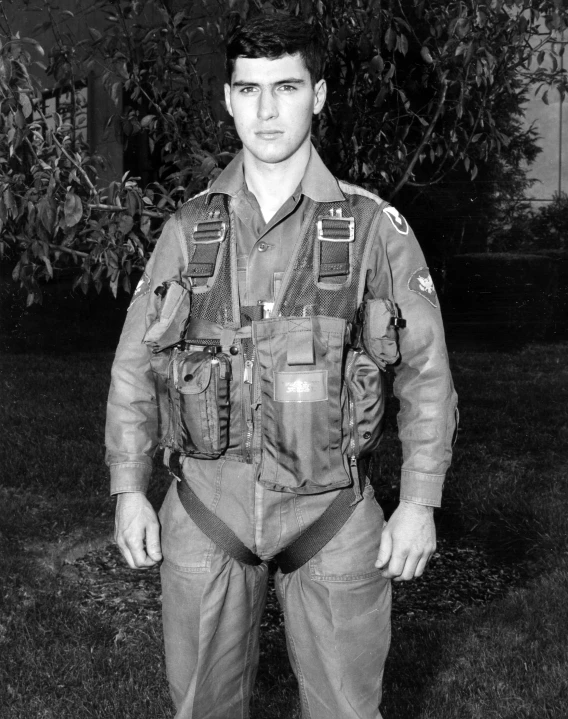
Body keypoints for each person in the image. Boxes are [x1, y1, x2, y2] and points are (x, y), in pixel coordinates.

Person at [106, 15, 458, 719]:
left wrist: (419, 501)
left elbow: (426, 372)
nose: (267, 110)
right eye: (250, 89)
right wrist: (128, 486)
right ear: (228, 99)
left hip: (331, 511)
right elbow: (135, 364)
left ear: (319, 95)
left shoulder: (370, 228)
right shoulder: (188, 228)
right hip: (209, 508)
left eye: (287, 87)